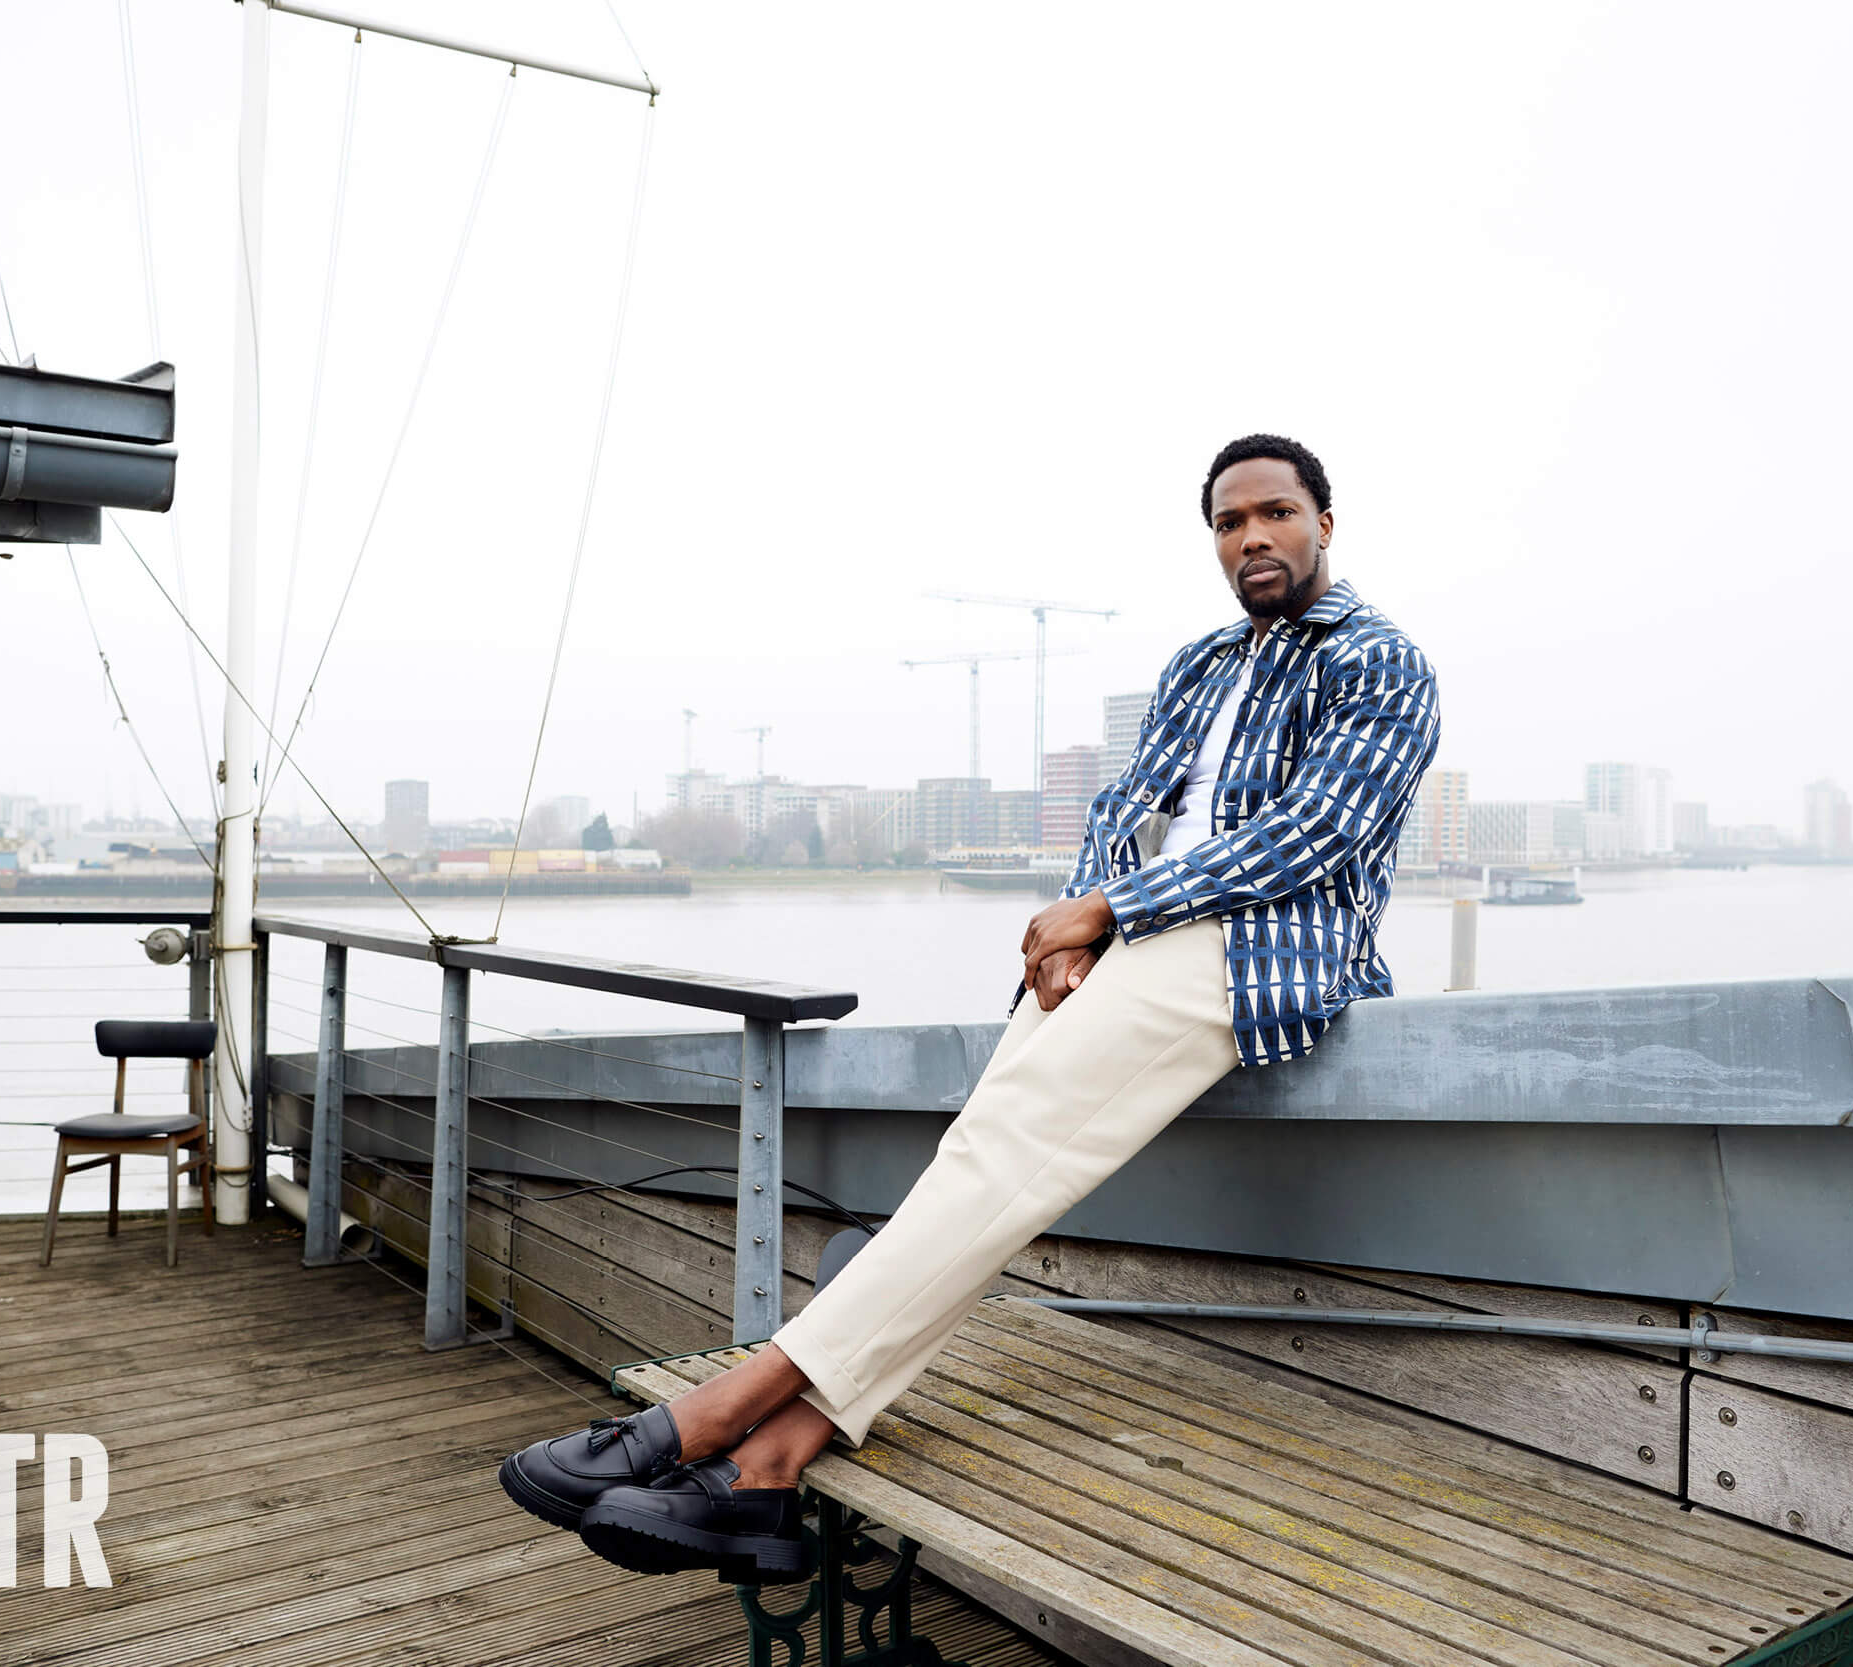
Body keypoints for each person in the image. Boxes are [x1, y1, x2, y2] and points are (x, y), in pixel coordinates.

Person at [499, 433, 1441, 1580]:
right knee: (981, 1177)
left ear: (1323, 525)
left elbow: (1314, 835)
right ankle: (768, 1470)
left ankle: (715, 1412)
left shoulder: (1383, 661)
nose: (1253, 536)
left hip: (1256, 950)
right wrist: (1078, 928)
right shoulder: (1200, 663)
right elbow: (1122, 803)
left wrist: (1108, 906)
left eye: (1277, 514)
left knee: (988, 1169)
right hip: (1127, 939)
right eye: (1229, 521)